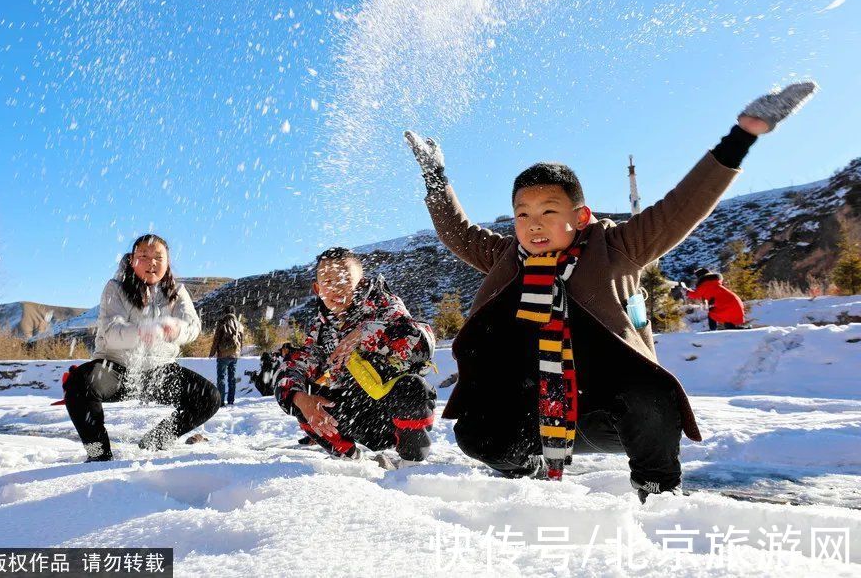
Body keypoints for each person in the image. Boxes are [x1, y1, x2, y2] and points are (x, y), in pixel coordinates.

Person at [405, 81, 815, 501]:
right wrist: (434, 176)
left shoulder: (618, 246)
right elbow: (457, 231)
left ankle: (657, 493)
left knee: (654, 397)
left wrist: (743, 133)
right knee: (477, 431)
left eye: (549, 211)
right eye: (522, 214)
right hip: (534, 407)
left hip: (608, 410)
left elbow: (683, 205)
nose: (534, 224)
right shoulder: (507, 257)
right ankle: (523, 472)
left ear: (580, 215)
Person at [274, 247, 438, 469]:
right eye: (327, 281)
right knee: (306, 404)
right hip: (355, 414)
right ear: (317, 288)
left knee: (413, 387)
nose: (336, 288)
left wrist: (366, 333)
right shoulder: (321, 327)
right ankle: (352, 461)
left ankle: (410, 465)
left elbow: (422, 343)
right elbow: (295, 365)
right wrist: (299, 398)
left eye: (344, 280)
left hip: (392, 414)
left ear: (360, 283)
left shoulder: (384, 304)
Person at [64, 234, 221, 462]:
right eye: (144, 256)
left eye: (159, 257)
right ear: (132, 260)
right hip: (115, 368)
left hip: (159, 371)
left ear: (167, 262)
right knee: (78, 384)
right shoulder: (115, 288)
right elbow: (110, 332)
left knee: (209, 397)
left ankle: (154, 442)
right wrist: (140, 332)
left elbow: (193, 327)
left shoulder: (177, 291)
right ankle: (98, 455)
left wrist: (176, 329)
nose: (152, 263)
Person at [210, 305, 244, 406]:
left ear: (225, 312)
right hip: (234, 355)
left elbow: (216, 339)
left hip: (223, 355)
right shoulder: (239, 325)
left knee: (221, 377)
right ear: (234, 313)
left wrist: (212, 352)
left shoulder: (222, 323)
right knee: (232, 377)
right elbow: (241, 341)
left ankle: (221, 401)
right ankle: (231, 400)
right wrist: (238, 352)